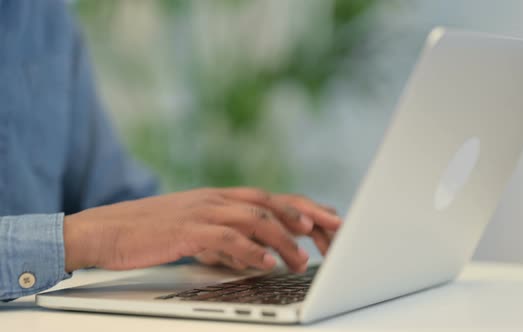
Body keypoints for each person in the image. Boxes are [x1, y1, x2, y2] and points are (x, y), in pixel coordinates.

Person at [0, 0, 341, 302]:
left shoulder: (42, 14)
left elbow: (110, 201)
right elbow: (99, 229)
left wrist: (206, 232)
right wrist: (83, 239)